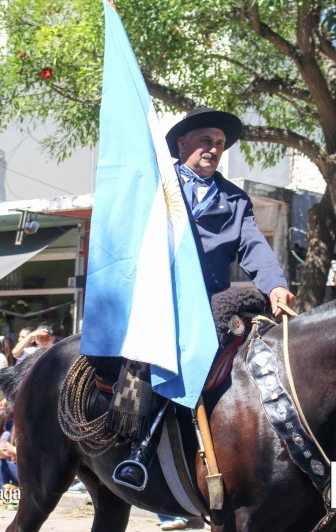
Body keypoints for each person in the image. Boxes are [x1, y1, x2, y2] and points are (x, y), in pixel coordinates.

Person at [112, 107, 297, 489]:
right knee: (145, 356)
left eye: (219, 144)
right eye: (204, 142)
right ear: (182, 145)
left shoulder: (235, 200)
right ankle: (135, 448)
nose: (213, 149)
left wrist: (275, 284)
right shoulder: (156, 188)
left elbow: (254, 247)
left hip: (210, 303)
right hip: (157, 297)